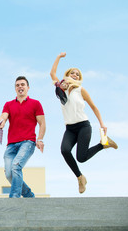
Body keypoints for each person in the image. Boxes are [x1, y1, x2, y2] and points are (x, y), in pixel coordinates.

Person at [50, 52, 118, 194]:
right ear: (67, 74)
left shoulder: (81, 90)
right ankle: (80, 178)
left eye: (78, 75)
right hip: (70, 128)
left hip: (83, 126)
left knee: (81, 158)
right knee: (64, 150)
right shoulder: (61, 89)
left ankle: (103, 144)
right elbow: (52, 73)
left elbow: (94, 107)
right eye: (73, 73)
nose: (75, 75)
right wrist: (59, 57)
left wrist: (102, 124)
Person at [0, 76, 46, 198]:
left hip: (27, 142)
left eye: (22, 84)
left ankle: (14, 197)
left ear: (27, 88)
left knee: (15, 167)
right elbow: (3, 116)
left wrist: (39, 139)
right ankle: (28, 195)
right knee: (9, 174)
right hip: (11, 145)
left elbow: (42, 123)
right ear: (15, 88)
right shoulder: (8, 104)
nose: (20, 87)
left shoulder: (35, 103)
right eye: (17, 85)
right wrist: (1, 122)